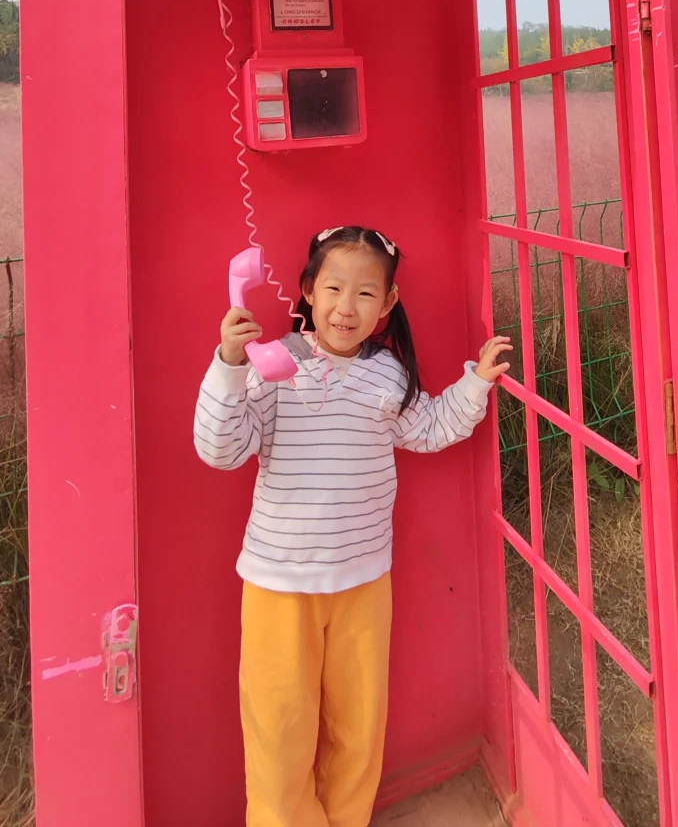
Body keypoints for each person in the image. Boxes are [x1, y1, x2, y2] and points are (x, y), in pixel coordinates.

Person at [193, 225, 510, 827]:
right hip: (279, 583)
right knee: (279, 731)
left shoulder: (388, 374)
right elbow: (220, 449)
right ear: (308, 291)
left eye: (366, 294)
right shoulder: (274, 366)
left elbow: (428, 428)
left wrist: (476, 383)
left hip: (365, 578)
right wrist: (231, 366)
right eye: (333, 288)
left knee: (358, 727)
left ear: (388, 304)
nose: (346, 307)